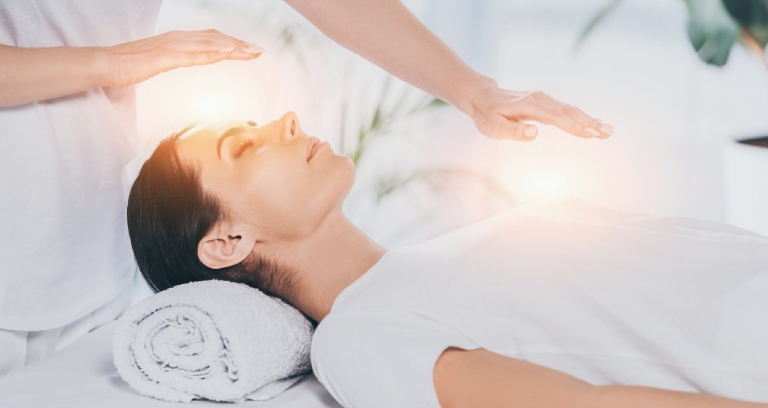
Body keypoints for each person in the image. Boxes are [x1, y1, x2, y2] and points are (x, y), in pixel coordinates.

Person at [0, 0, 611, 378]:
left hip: (82, 252)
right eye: (240, 144)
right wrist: (114, 63)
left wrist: (473, 91)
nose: (290, 123)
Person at [127, 112, 768, 408]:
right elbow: (583, 406)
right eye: (244, 146)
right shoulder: (356, 336)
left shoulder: (434, 259)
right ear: (226, 242)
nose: (286, 120)